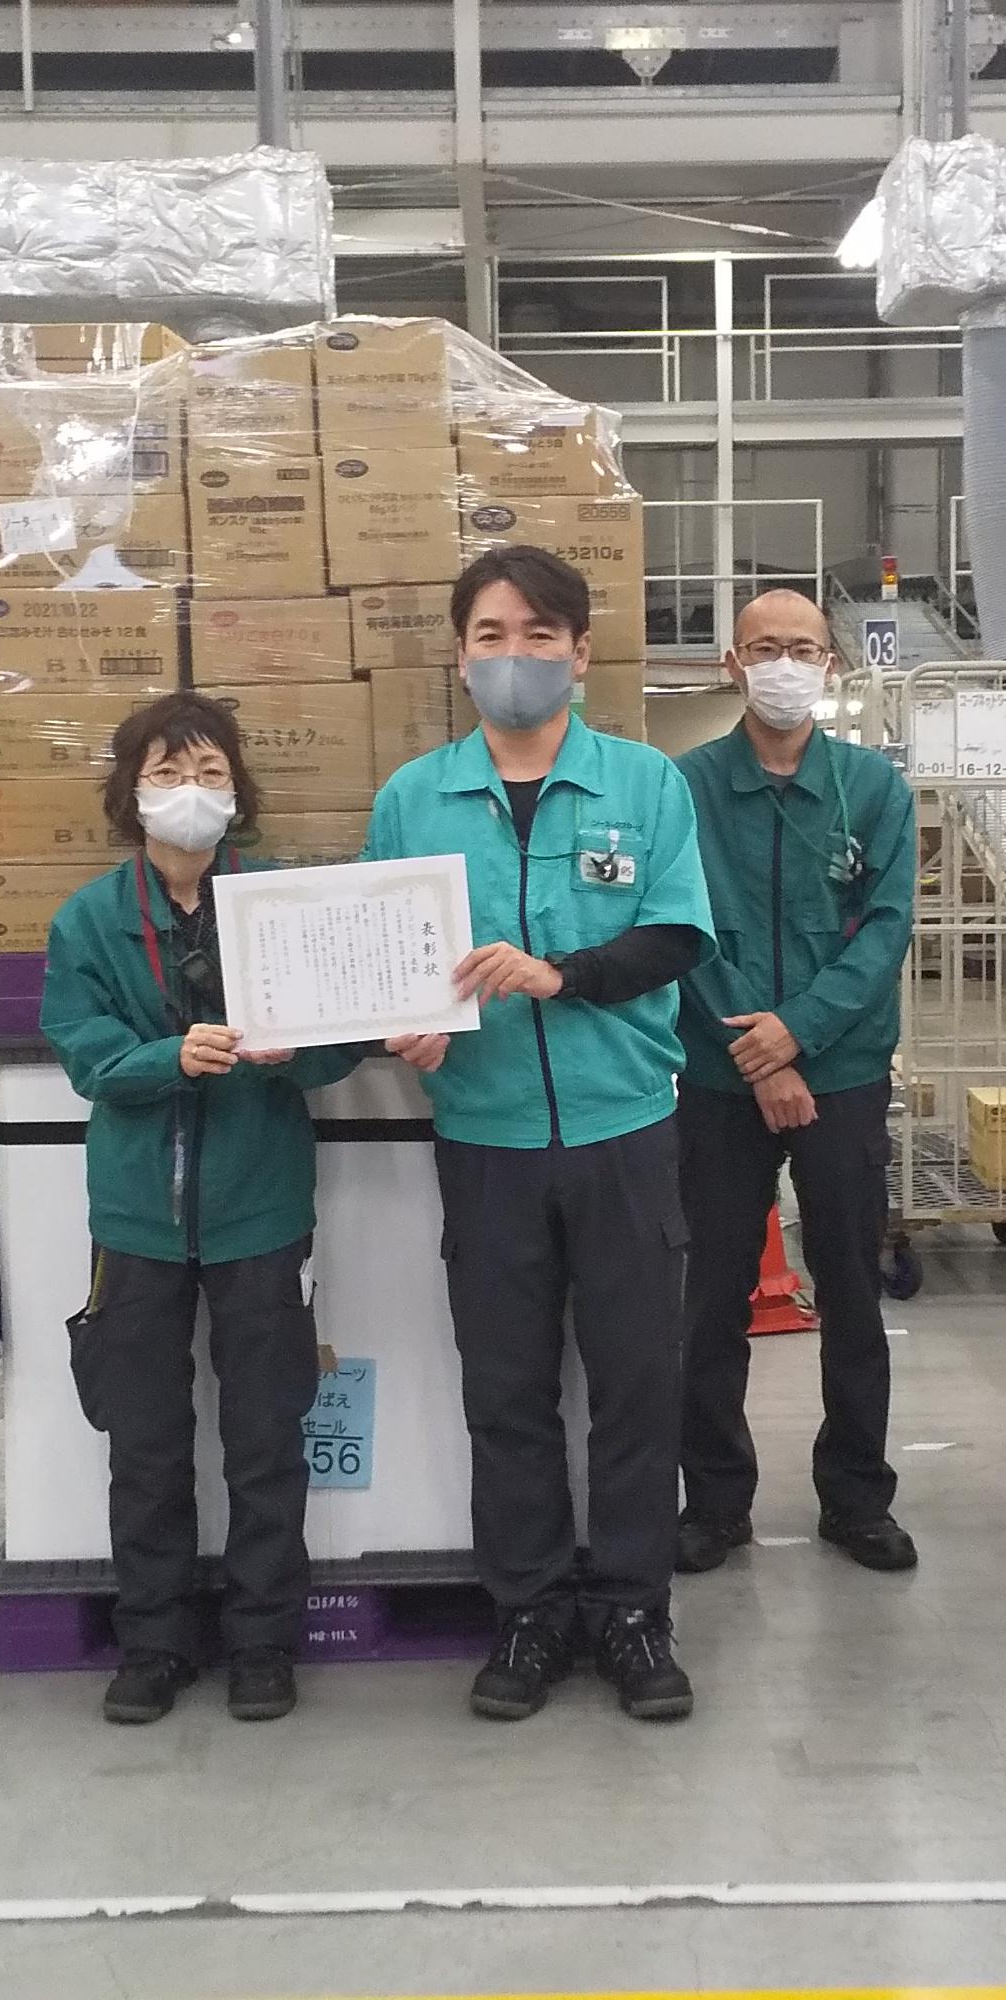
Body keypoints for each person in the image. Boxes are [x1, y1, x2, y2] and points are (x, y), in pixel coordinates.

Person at [364, 544, 713, 1724]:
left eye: (538, 635)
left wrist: (562, 973)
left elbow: (674, 935)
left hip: (625, 1128)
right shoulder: (413, 798)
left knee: (635, 1383)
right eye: (492, 635)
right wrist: (404, 1027)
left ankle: (631, 1609)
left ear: (579, 650)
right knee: (506, 1386)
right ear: (459, 655)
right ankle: (526, 1611)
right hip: (487, 1134)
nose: (515, 656)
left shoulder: (644, 783)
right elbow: (386, 959)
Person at [43, 693, 371, 1725]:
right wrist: (166, 1057)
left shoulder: (281, 904)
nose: (190, 791)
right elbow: (84, 1052)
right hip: (135, 1217)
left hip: (261, 1211)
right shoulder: (90, 918)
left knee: (268, 1435)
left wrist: (294, 1049)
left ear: (239, 792)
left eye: (211, 772)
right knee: (143, 1441)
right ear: (129, 791)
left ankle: (264, 1638)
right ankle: (153, 1639)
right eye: (167, 772)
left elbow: (345, 1038)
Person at [669, 587, 923, 1578]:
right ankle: (713, 1499)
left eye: (802, 648)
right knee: (709, 1298)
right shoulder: (684, 787)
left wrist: (798, 1036)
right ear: (730, 664)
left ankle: (857, 1496)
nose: (783, 663)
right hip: (718, 1077)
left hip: (842, 1074)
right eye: (763, 647)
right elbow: (680, 925)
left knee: (852, 1293)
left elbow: (884, 930)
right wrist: (756, 1050)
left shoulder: (873, 789)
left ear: (831, 665)